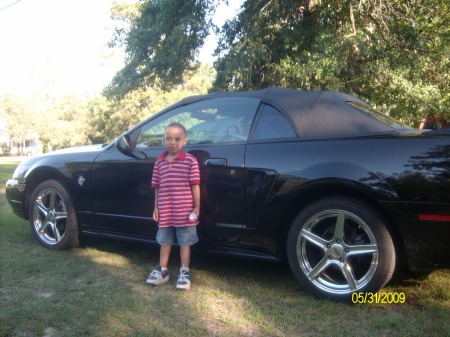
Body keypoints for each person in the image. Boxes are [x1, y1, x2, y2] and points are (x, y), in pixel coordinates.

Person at [146, 122, 200, 290]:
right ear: (164, 140)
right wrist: (156, 207)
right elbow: (157, 186)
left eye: (177, 139)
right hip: (166, 211)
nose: (172, 142)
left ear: (184, 141)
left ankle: (184, 271)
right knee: (164, 240)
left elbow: (195, 185)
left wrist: (197, 207)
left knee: (185, 242)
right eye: (169, 138)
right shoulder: (160, 162)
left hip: (185, 212)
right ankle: (163, 271)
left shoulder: (190, 160)